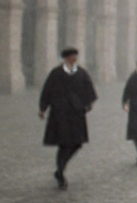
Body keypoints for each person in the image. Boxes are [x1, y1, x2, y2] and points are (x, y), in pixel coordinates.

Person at [39, 48, 98, 189]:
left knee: (77, 143)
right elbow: (47, 90)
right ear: (65, 58)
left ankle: (60, 169)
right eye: (71, 57)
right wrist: (43, 108)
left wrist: (88, 103)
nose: (74, 59)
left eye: (75, 57)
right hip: (60, 113)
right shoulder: (56, 73)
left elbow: (88, 88)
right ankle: (60, 172)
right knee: (64, 143)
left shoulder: (81, 72)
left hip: (76, 113)